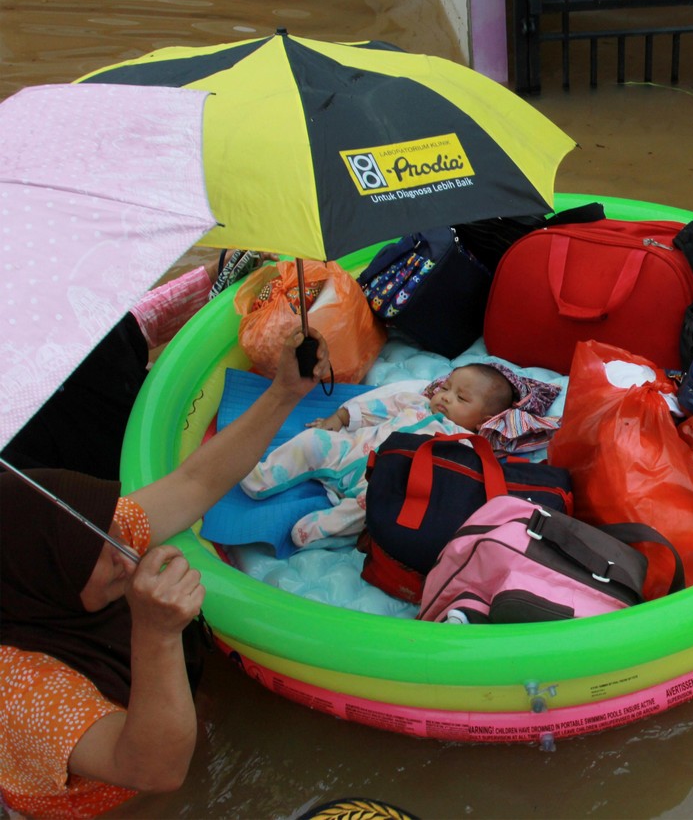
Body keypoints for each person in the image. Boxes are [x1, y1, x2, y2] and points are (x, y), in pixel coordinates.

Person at [0, 328, 329, 819]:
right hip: (118, 802)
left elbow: (194, 483)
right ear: (43, 582)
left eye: (116, 524)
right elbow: (154, 771)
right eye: (104, 551)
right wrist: (155, 634)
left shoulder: (88, 536)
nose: (126, 551)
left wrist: (284, 392)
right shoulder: (19, 689)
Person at [1, 250, 264, 480]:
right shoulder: (13, 455)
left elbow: (136, 323)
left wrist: (215, 274)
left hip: (153, 410)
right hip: (120, 483)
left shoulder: (55, 301)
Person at [239, 363, 562, 548]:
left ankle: (316, 530)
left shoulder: (462, 443)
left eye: (460, 397)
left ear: (483, 420)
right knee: (312, 441)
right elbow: (375, 406)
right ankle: (259, 477)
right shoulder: (416, 402)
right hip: (351, 451)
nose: (445, 398)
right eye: (446, 387)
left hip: (380, 482)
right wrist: (341, 418)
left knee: (370, 509)